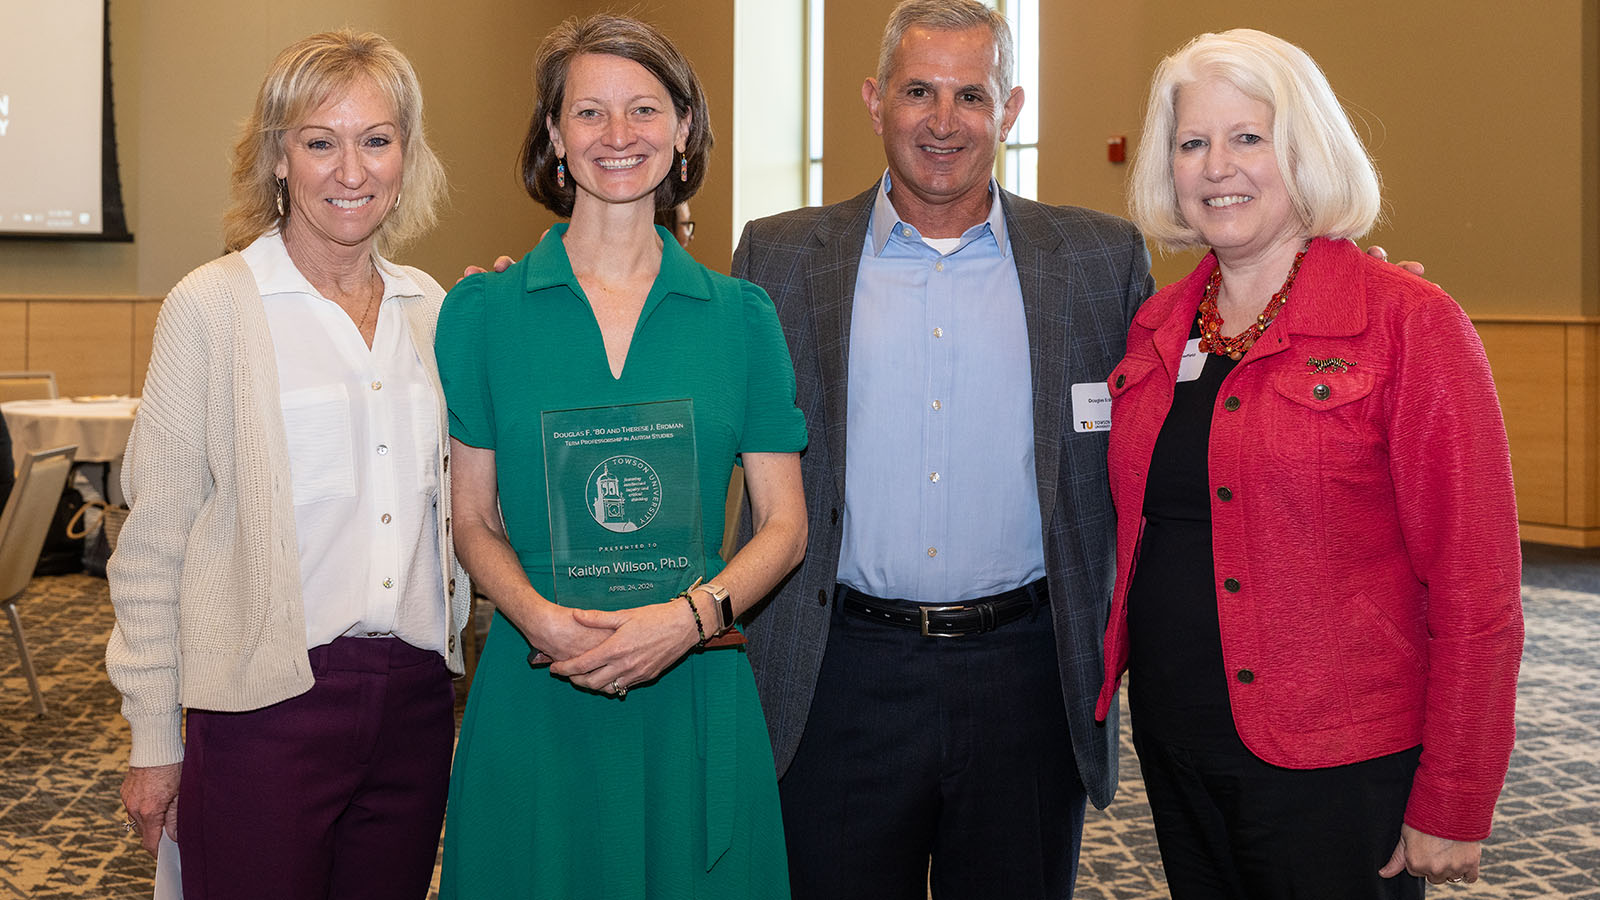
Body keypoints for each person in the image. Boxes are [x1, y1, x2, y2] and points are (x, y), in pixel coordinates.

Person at [731, 2, 1150, 897]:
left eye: (972, 94)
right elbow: (690, 384)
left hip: (1027, 676)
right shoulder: (778, 258)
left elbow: (1190, 385)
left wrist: (1317, 279)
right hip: (839, 676)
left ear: (1012, 108)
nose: (943, 120)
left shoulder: (1098, 261)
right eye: (919, 90)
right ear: (875, 99)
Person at [1096, 28, 1522, 898]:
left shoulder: (1407, 323)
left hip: (1340, 760)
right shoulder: (1156, 329)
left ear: (1305, 150)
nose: (1218, 167)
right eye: (1192, 143)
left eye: (1248, 137)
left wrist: (1456, 793)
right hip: (1178, 743)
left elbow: (1478, 582)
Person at [435, 13, 807, 899]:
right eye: (589, 112)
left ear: (683, 130)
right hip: (539, 682)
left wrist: (686, 619)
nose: (617, 135)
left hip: (694, 688)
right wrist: (536, 615)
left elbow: (784, 526)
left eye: (644, 109)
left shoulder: (742, 316)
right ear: (555, 136)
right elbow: (472, 518)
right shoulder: (481, 314)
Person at [106, 29, 469, 899]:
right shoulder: (214, 307)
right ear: (277, 157)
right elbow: (154, 541)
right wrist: (155, 739)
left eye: (376, 140)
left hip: (417, 701)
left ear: (406, 157)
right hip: (263, 703)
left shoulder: (435, 311)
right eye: (320, 141)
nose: (352, 170)